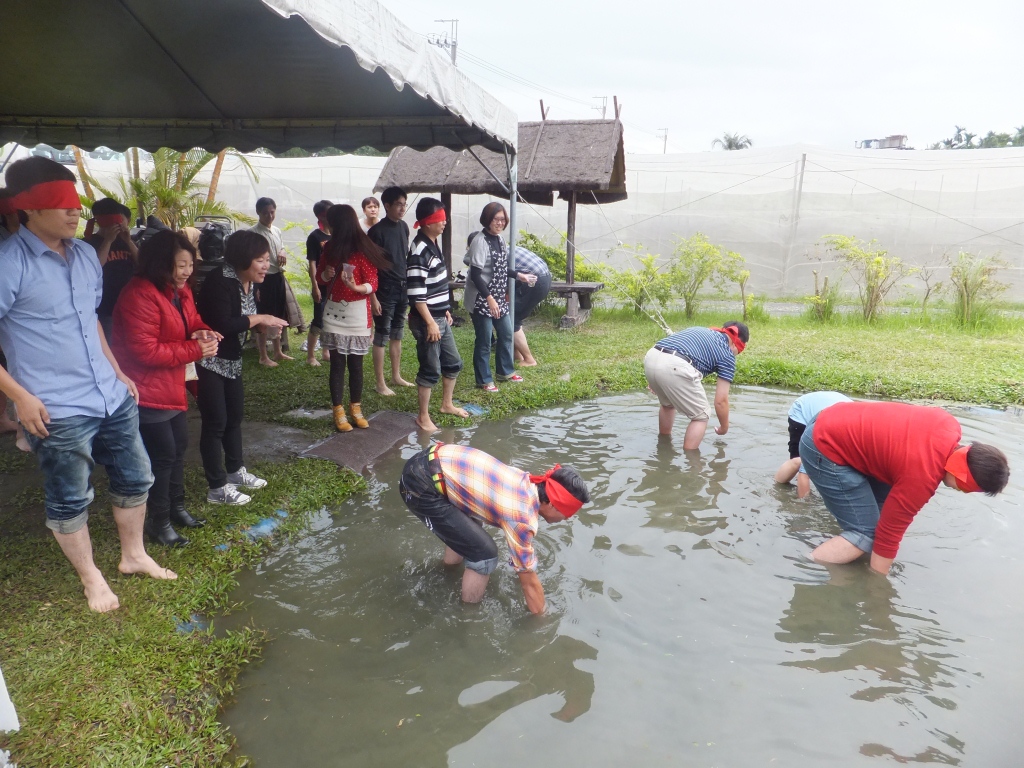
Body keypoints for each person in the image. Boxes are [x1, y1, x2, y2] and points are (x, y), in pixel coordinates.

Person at [0, 156, 173, 613]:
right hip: (54, 405)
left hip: (109, 393)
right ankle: (91, 577)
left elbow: (91, 319)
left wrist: (117, 371)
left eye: (77, 202)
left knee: (137, 476)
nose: (76, 211)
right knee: (69, 495)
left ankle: (133, 556)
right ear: (28, 209)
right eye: (61, 203)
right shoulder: (8, 263)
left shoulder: (83, 256)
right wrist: (20, 398)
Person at [799, 401, 1009, 574]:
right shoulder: (922, 476)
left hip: (831, 416)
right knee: (864, 534)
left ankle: (845, 548)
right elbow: (889, 534)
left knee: (878, 515)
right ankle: (804, 566)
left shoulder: (949, 424)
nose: (960, 492)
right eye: (965, 489)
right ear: (963, 476)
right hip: (824, 445)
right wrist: (878, 587)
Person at [111, 230, 220, 547]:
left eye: (190, 264)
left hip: (171, 385)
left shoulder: (179, 290)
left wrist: (202, 331)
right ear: (161, 264)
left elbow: (192, 319)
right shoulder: (139, 295)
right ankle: (158, 523)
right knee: (162, 455)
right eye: (181, 265)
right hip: (144, 388)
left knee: (178, 448)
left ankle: (177, 509)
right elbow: (144, 351)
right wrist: (196, 350)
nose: (188, 271)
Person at [399, 443, 590, 613]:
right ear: (551, 504)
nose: (566, 519)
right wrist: (542, 619)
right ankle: (467, 615)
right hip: (420, 484)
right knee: (484, 553)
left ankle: (447, 572)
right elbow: (528, 579)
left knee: (471, 532)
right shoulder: (522, 517)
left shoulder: (525, 481)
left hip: (428, 460)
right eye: (567, 514)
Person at [195, 230, 289, 505]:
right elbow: (223, 323)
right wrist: (260, 317)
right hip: (210, 360)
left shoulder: (249, 282)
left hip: (232, 360)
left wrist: (261, 324)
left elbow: (242, 319)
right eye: (260, 260)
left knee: (234, 418)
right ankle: (217, 488)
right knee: (215, 423)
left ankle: (236, 472)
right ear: (242, 259)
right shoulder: (220, 281)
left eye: (266, 259)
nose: (265, 265)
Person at [316, 204, 391, 432]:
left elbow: (373, 283)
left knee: (356, 364)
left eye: (331, 222)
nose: (328, 225)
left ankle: (356, 409)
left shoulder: (362, 249)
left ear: (340, 223)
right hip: (334, 312)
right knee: (337, 364)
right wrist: (325, 275)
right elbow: (321, 277)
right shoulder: (329, 248)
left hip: (358, 312)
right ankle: (338, 411)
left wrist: (357, 288)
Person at [406, 198, 469, 431]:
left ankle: (446, 404)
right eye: (439, 219)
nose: (444, 222)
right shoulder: (419, 250)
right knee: (430, 368)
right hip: (427, 321)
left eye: (444, 218)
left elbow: (434, 284)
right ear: (426, 222)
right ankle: (423, 416)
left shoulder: (432, 243)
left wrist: (444, 310)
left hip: (439, 317)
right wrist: (431, 322)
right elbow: (415, 292)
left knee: (452, 363)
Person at [643, 321, 749, 450]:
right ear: (736, 343)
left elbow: (666, 353)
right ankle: (692, 463)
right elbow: (721, 401)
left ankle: (664, 445)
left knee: (668, 405)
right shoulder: (727, 354)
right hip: (675, 365)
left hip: (652, 357)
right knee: (701, 415)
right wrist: (724, 427)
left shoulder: (700, 330)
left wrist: (657, 378)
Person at [463, 203, 535, 391]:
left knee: (506, 333)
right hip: (481, 298)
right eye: (496, 219)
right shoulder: (480, 241)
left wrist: (519, 275)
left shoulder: (500, 240)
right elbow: (475, 275)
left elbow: (502, 267)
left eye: (503, 220)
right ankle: (484, 380)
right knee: (485, 340)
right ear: (488, 219)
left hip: (497, 298)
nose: (500, 223)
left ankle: (505, 372)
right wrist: (489, 298)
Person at [367, 186, 414, 395]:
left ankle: (396, 376)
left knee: (398, 334)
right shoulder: (376, 232)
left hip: (402, 287)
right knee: (382, 335)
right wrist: (373, 297)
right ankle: (380, 383)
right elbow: (370, 267)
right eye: (398, 204)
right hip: (384, 290)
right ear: (387, 206)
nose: (402, 208)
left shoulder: (404, 227)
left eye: (404, 204)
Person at [775, 391, 852, 498]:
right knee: (800, 461)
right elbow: (804, 472)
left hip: (829, 408)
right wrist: (805, 508)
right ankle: (777, 488)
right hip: (802, 411)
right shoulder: (833, 432)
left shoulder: (856, 435)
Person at [84, 198, 139, 340]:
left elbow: (143, 263)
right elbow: (95, 268)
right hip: (105, 308)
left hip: (131, 305)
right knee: (110, 346)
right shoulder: (89, 244)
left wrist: (128, 241)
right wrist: (108, 240)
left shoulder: (127, 240)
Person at [249, 197, 292, 366]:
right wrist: (256, 287)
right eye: (265, 213)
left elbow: (281, 247)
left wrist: (282, 251)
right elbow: (251, 260)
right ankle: (263, 356)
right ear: (258, 212)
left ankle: (277, 351)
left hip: (277, 277)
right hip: (263, 279)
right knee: (263, 315)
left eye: (272, 212)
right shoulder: (253, 233)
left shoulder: (277, 231)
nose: (269, 215)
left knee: (277, 315)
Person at [509, 245, 551, 366]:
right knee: (512, 314)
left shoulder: (494, 254)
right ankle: (517, 355)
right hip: (545, 277)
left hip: (534, 280)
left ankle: (529, 360)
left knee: (512, 319)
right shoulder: (505, 247)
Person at [304, 199, 333, 366]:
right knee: (318, 319)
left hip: (334, 284)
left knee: (330, 319)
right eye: (328, 214)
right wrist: (315, 286)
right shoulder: (315, 237)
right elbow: (312, 263)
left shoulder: (336, 235)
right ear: (320, 216)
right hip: (321, 284)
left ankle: (325, 352)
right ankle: (310, 356)